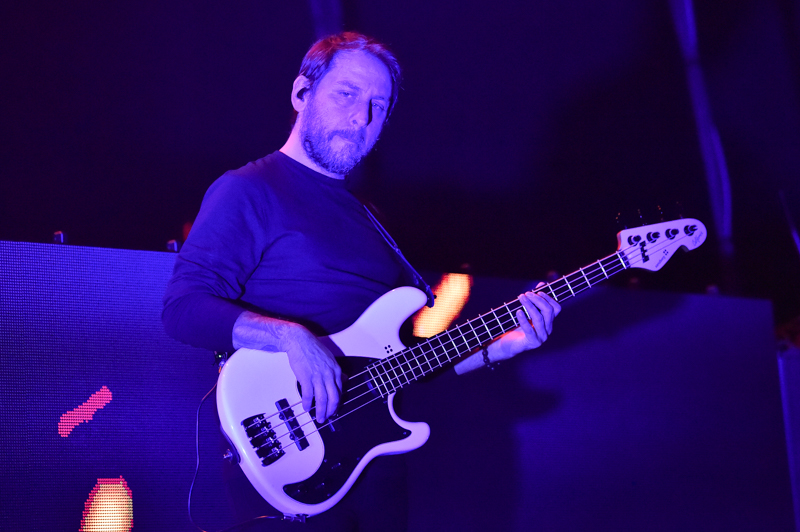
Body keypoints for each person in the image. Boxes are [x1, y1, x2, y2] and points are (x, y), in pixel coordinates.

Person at [162, 32, 561, 531]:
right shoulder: (248, 189)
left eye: (379, 104)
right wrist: (290, 338)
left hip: (374, 459)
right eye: (346, 93)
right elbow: (182, 309)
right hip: (285, 449)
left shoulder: (369, 219)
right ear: (301, 93)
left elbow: (398, 360)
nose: (362, 117)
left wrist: (498, 348)